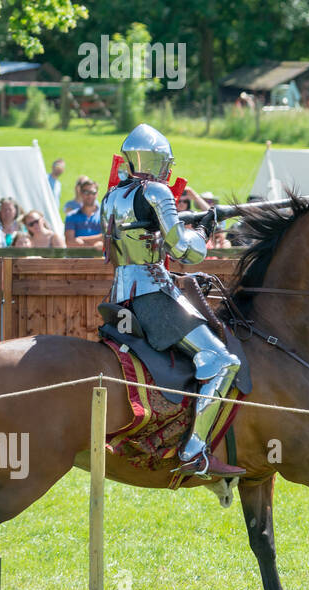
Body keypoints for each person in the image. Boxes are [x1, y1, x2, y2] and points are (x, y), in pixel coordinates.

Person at [101, 123, 242, 478]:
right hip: (153, 294)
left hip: (121, 293)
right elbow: (185, 252)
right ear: (158, 159)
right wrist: (204, 232)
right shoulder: (156, 192)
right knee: (221, 362)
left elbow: (140, 236)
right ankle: (194, 452)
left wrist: (184, 223)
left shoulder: (113, 195)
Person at [63, 181, 104, 249]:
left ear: (97, 194)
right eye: (86, 192)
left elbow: (105, 238)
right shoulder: (71, 216)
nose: (90, 195)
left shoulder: (104, 216)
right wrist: (94, 247)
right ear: (81, 193)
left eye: (93, 192)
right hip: (77, 259)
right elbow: (69, 242)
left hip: (99, 259)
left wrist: (80, 239)